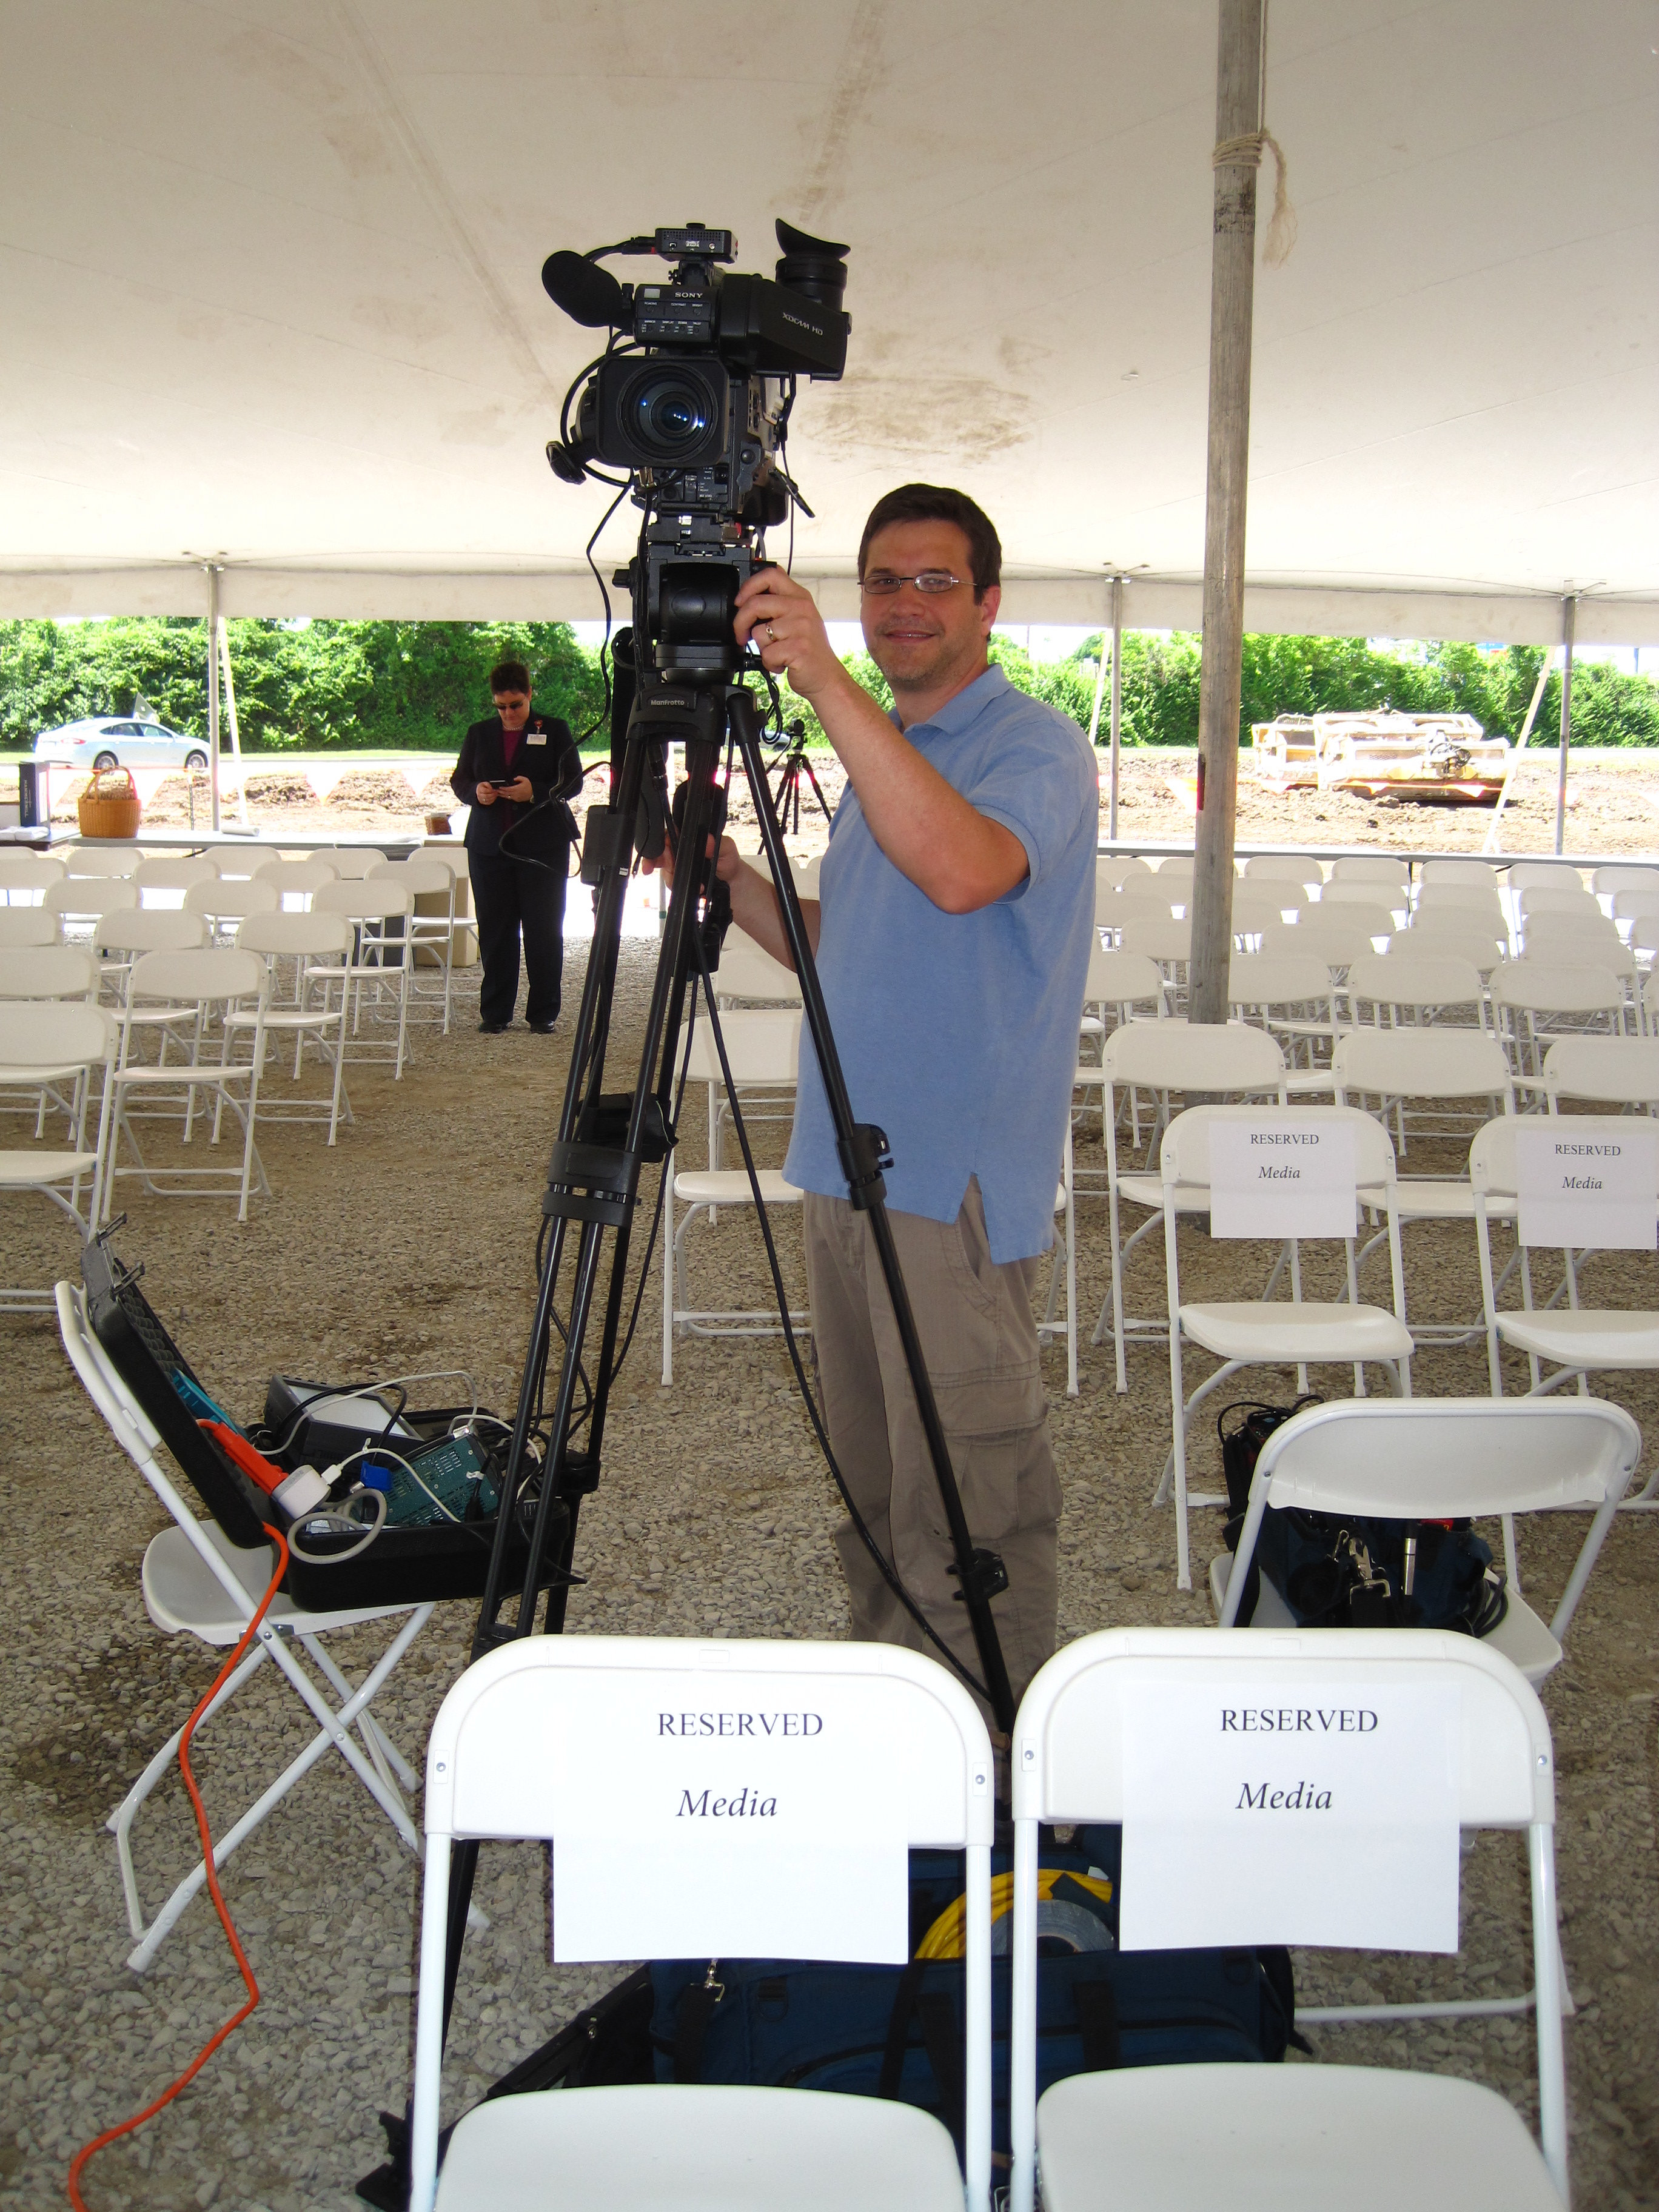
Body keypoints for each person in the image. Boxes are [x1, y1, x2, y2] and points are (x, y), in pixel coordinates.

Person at [663, 483, 1098, 1718]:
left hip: (946, 1189)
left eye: (936, 581)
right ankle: (905, 1732)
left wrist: (825, 686)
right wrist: (732, 880)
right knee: (877, 1492)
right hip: (843, 1171)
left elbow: (965, 872)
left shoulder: (1031, 746)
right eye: (883, 581)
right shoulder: (885, 758)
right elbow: (838, 943)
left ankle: (994, 1766)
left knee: (969, 1502)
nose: (906, 604)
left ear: (989, 603)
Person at [451, 660, 583, 1033]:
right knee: (495, 929)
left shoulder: (554, 730)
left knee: (544, 929)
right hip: (489, 847)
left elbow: (573, 781)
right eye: (501, 707)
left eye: (516, 705)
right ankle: (496, 1013)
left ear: (529, 695)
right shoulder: (479, 733)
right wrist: (476, 793)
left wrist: (536, 792)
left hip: (543, 847)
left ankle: (543, 1013)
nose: (509, 713)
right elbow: (460, 780)